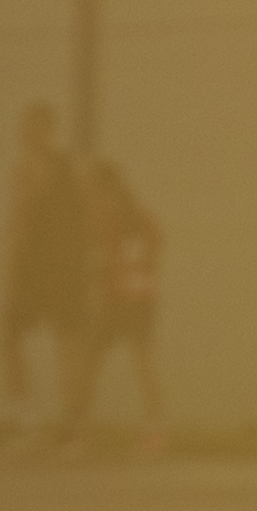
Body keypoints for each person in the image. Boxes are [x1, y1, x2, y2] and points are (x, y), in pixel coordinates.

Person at [0, 104, 93, 436]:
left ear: (43, 130)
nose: (21, 134)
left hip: (36, 269)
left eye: (27, 127)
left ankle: (29, 423)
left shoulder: (27, 167)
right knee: (71, 346)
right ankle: (76, 429)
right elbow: (86, 218)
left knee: (8, 339)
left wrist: (10, 273)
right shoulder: (74, 168)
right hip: (70, 269)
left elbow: (20, 224)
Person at [68, 146, 169, 455]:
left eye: (91, 186)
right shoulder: (138, 214)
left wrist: (104, 280)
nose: (87, 192)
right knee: (124, 364)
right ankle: (150, 433)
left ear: (105, 186)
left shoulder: (105, 216)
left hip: (120, 300)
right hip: (136, 298)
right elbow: (156, 245)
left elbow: (101, 260)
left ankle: (83, 435)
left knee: (96, 365)